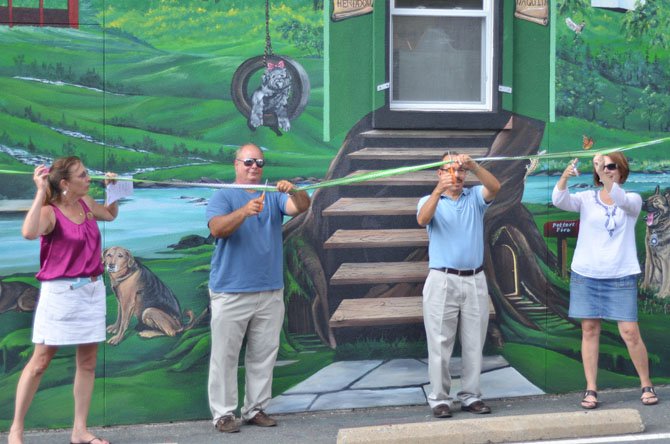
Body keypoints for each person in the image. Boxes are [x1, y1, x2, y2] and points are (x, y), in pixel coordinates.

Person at [9, 157, 118, 444]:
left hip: (91, 292)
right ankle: (16, 430)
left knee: (88, 362)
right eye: (83, 175)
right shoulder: (49, 211)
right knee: (40, 361)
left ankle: (79, 431)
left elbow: (110, 215)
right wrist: (39, 189)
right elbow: (28, 232)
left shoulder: (86, 203)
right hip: (59, 295)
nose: (88, 178)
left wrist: (114, 191)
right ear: (65, 183)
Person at [206, 143, 310, 433]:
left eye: (260, 163)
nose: (254, 167)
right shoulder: (223, 195)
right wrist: (244, 211)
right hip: (231, 290)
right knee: (225, 355)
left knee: (264, 354)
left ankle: (255, 409)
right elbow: (217, 228)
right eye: (249, 162)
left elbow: (302, 207)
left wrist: (295, 190)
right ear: (236, 164)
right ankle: (224, 414)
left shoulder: (274, 196)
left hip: (269, 290)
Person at [553, 153, 659, 409]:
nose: (607, 170)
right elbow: (559, 200)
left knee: (630, 332)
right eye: (603, 166)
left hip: (620, 275)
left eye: (612, 166)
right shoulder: (587, 198)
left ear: (621, 170)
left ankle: (646, 383)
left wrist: (603, 174)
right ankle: (591, 389)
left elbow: (620, 199)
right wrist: (565, 176)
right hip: (586, 274)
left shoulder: (632, 199)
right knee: (589, 330)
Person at [417, 153, 500, 418]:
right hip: (442, 279)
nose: (456, 175)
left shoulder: (475, 197)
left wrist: (475, 166)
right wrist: (438, 191)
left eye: (461, 170)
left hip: (475, 278)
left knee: (475, 341)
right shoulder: (429, 200)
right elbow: (423, 219)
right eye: (450, 170)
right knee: (440, 341)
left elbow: (495, 187)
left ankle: (471, 396)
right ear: (439, 173)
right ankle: (439, 399)